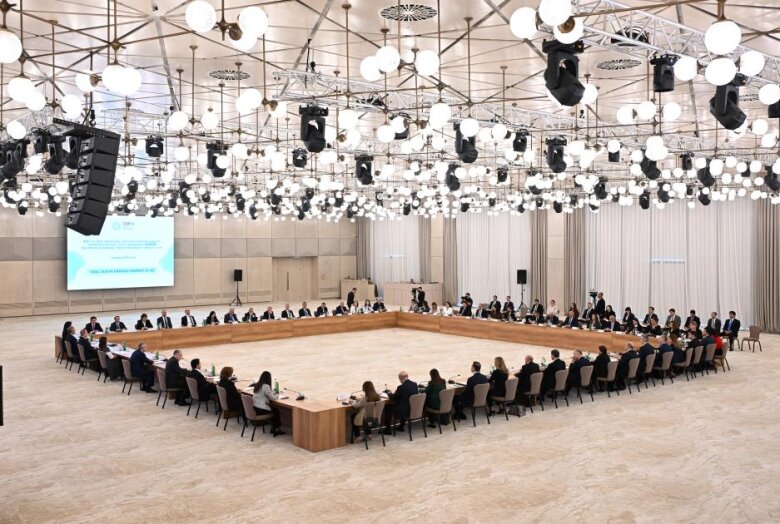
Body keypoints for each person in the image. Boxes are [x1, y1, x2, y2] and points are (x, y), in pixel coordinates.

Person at [252, 371, 285, 436]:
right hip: (261, 409)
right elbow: (272, 398)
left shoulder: (258, 384)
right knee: (276, 410)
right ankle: (276, 429)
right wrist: (277, 396)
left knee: (273, 409)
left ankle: (274, 427)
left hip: (256, 408)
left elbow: (267, 393)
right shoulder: (266, 386)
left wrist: (272, 392)